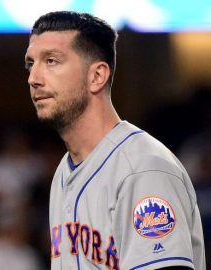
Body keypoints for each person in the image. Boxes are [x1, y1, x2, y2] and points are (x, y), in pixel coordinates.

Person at [24, 11, 206, 270]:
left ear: (97, 76)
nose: (34, 78)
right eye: (31, 64)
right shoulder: (64, 172)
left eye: (51, 61)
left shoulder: (142, 169)